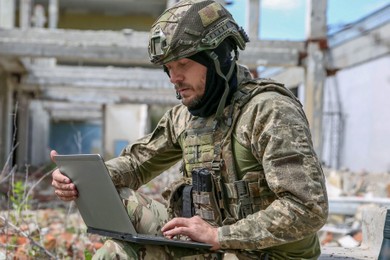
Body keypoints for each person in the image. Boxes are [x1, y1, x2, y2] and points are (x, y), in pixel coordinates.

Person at [51, 0, 328, 259]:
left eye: (183, 64)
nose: (174, 78)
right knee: (118, 242)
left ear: (217, 58)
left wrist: (220, 235)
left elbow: (308, 208)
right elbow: (136, 164)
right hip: (210, 243)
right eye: (169, 68)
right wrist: (81, 179)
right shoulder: (184, 117)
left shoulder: (269, 111)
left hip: (266, 253)